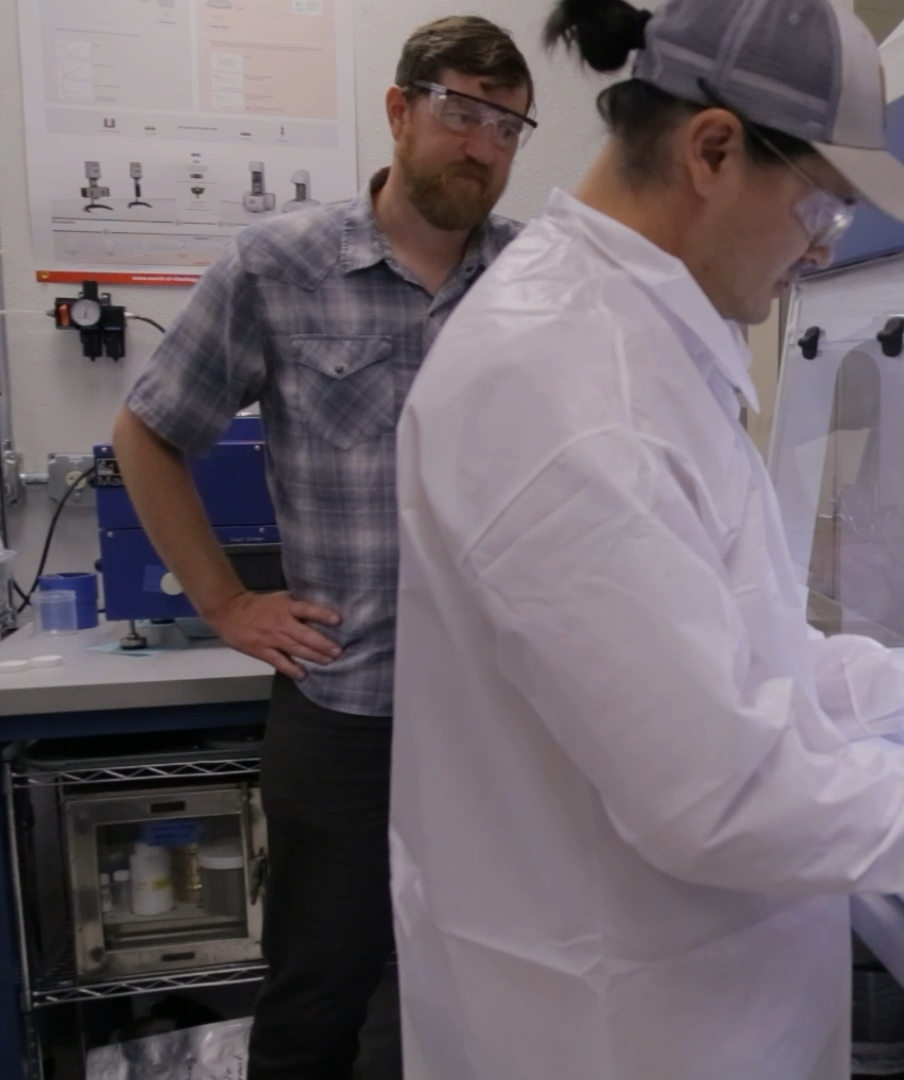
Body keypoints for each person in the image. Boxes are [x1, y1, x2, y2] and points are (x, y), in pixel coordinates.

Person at [389, 0, 904, 1076]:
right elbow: (713, 790)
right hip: (618, 1030)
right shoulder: (569, 383)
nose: (822, 246)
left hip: (677, 1000)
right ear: (712, 150)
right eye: (823, 204)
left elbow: (706, 648)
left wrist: (901, 695)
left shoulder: (628, 338)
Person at [109, 17, 535, 1079]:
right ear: (399, 109)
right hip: (348, 710)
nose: (482, 144)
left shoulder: (538, 279)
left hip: (502, 718)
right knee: (316, 995)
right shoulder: (280, 267)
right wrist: (224, 602)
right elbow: (149, 434)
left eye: (508, 126)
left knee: (485, 986)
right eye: (461, 111)